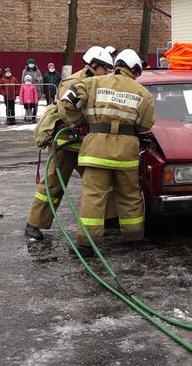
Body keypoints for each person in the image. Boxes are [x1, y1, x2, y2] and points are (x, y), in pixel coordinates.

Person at [57, 48, 155, 256]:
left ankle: (86, 244)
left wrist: (78, 121)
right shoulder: (143, 93)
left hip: (96, 149)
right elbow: (146, 124)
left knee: (94, 196)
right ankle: (134, 237)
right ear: (134, 69)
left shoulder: (92, 83)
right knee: (129, 196)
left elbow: (67, 102)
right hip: (126, 151)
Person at [25, 46, 116, 242]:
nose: (107, 72)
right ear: (93, 65)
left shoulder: (97, 82)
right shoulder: (74, 83)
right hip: (66, 142)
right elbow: (67, 113)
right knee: (54, 184)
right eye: (105, 68)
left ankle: (110, 219)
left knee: (102, 182)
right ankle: (34, 224)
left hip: (87, 143)